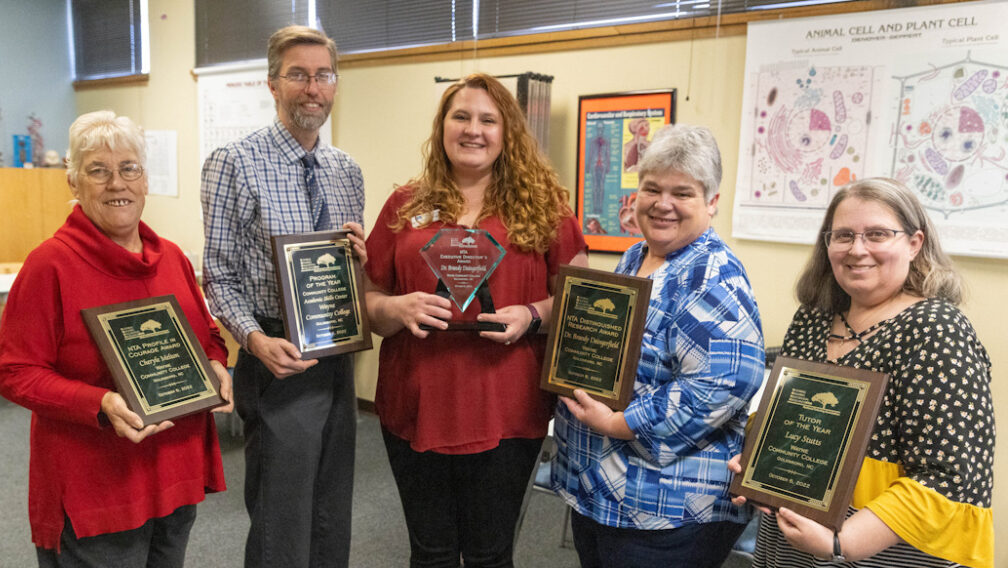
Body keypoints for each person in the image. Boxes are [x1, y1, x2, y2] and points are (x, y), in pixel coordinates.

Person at [363, 72, 588, 568]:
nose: (473, 129)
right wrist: (396, 308)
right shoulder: (405, 206)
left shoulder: (546, 209)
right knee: (431, 550)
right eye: (460, 116)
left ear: (507, 132)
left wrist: (531, 315)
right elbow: (368, 299)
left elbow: (580, 305)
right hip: (415, 400)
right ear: (442, 126)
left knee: (490, 554)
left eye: (488, 120)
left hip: (507, 407)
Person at [0, 110, 233, 567]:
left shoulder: (172, 259)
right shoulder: (50, 266)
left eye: (129, 169)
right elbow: (15, 373)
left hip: (174, 468)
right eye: (98, 171)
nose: (116, 184)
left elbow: (206, 336)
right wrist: (99, 403)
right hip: (97, 485)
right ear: (74, 183)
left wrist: (216, 363)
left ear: (145, 181)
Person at [730, 177, 995, 568]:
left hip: (878, 552)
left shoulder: (936, 329)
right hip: (790, 543)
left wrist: (842, 543)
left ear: (914, 243)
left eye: (877, 234)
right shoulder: (813, 318)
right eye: (843, 236)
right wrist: (756, 462)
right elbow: (786, 418)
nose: (857, 249)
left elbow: (950, 475)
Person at [551, 124, 766, 568]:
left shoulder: (712, 275)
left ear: (711, 203)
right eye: (652, 188)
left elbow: (724, 383)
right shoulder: (635, 256)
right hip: (607, 493)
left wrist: (620, 423)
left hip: (666, 508)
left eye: (682, 193)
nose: (663, 204)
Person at [200, 25, 366, 568]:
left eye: (323, 76)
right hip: (275, 357)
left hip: (336, 353)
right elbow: (218, 277)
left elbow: (344, 272)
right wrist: (252, 341)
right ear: (272, 83)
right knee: (282, 518)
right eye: (298, 75)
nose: (312, 88)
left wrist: (360, 260)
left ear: (335, 85)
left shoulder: (346, 171)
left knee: (331, 507)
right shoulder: (234, 162)